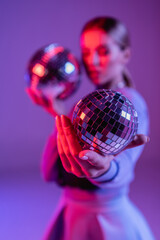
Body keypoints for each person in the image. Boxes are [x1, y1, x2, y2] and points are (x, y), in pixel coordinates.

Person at [40, 17, 155, 240]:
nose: (91, 61)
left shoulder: (130, 106)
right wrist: (58, 115)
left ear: (125, 55)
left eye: (102, 51)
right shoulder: (82, 107)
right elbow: (49, 173)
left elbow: (123, 165)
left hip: (108, 220)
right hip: (71, 214)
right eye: (86, 52)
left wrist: (104, 170)